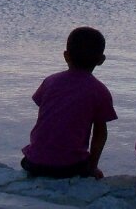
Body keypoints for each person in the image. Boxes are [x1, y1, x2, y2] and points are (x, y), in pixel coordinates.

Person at [21, 26, 117, 179]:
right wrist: (92, 167)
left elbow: (45, 114)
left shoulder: (50, 81)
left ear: (66, 56)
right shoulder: (99, 91)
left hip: (34, 163)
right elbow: (100, 134)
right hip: (69, 168)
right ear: (101, 60)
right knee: (91, 170)